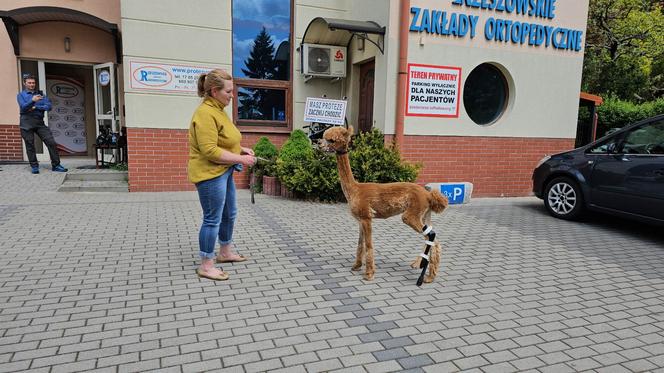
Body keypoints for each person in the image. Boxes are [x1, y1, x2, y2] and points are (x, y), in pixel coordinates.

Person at [188, 69, 256, 281]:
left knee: (229, 214)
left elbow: (223, 140)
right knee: (212, 219)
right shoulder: (205, 113)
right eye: (229, 91)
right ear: (215, 91)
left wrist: (240, 149)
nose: (232, 95)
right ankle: (207, 264)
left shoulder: (218, 109)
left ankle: (225, 252)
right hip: (209, 175)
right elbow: (209, 150)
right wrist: (241, 160)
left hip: (223, 171)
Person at [17, 74, 68, 174]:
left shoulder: (41, 95)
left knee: (51, 142)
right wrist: (32, 101)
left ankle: (56, 165)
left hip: (39, 122)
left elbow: (48, 106)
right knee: (30, 145)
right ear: (24, 83)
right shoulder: (21, 95)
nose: (32, 84)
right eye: (29, 83)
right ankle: (34, 166)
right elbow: (23, 108)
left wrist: (36, 107)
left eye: (33, 83)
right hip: (26, 123)